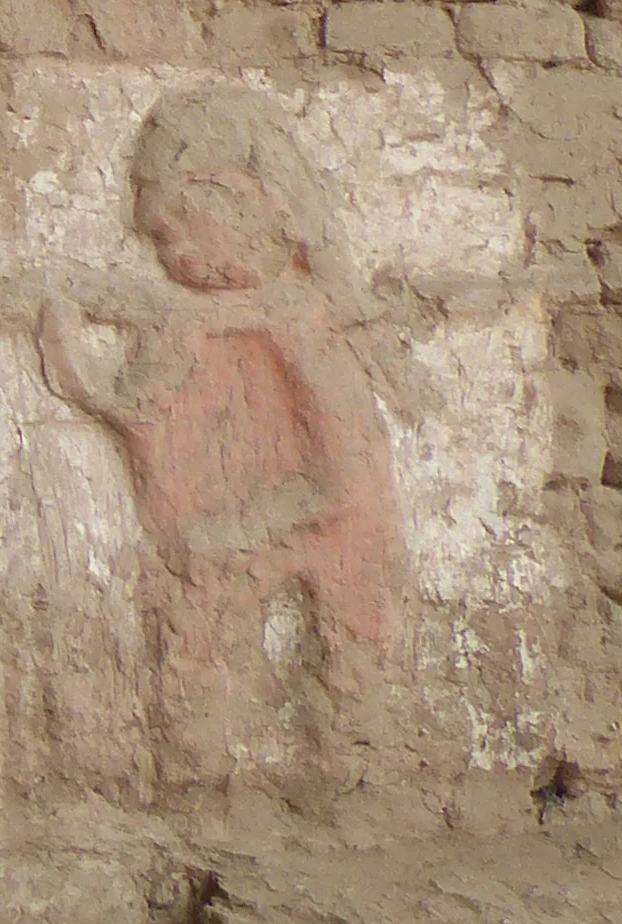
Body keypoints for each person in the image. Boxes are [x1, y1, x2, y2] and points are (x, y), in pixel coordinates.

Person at [38, 89, 399, 784]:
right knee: (187, 680)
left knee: (347, 684)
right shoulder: (194, 320)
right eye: (159, 242)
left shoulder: (297, 321)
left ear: (243, 202)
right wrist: (74, 372)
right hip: (215, 539)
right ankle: (195, 786)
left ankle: (336, 781)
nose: (173, 257)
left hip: (305, 524)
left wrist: (236, 528)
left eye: (179, 233)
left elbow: (342, 476)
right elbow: (141, 411)